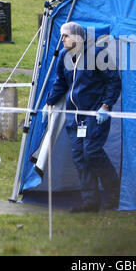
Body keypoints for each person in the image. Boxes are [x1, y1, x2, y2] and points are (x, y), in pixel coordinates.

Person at [45, 22, 121, 213]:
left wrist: (106, 106)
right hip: (74, 117)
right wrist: (49, 102)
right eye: (62, 36)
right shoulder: (64, 56)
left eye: (66, 36)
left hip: (94, 114)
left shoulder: (97, 53)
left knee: (92, 152)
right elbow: (60, 83)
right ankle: (90, 202)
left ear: (77, 37)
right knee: (79, 157)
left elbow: (113, 81)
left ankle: (114, 193)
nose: (62, 40)